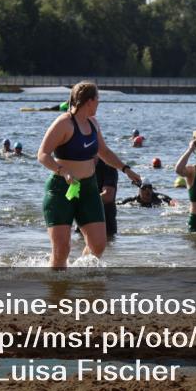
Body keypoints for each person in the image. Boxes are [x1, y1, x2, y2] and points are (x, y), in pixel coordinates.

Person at [37, 81, 140, 269]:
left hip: (88, 190)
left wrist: (126, 170)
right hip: (62, 189)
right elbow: (42, 154)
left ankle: (78, 273)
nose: (99, 103)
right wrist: (63, 172)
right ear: (90, 101)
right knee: (61, 251)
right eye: (98, 99)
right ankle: (58, 290)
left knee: (98, 245)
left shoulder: (93, 123)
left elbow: (104, 152)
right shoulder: (64, 123)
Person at [95, 158, 120, 238]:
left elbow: (108, 196)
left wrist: (83, 201)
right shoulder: (80, 164)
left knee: (106, 249)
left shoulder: (108, 166)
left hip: (105, 225)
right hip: (82, 222)